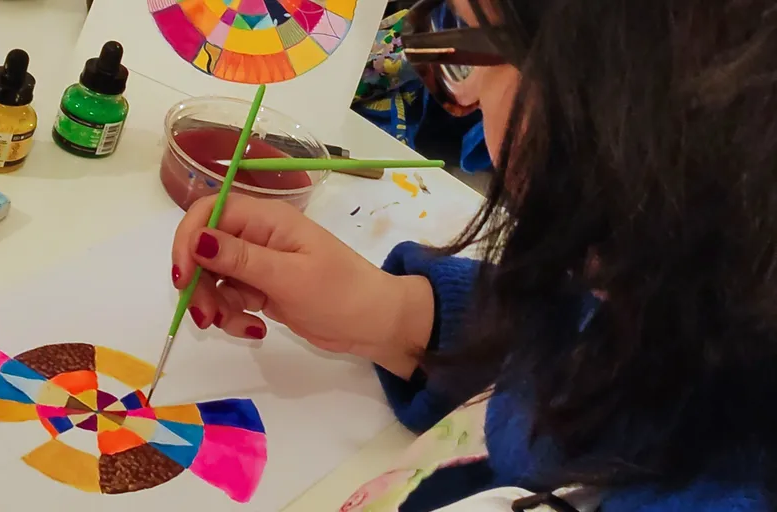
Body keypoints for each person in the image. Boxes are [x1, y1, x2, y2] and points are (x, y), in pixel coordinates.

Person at [171, 0, 777, 510]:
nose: (469, 104)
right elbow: (596, 337)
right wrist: (401, 315)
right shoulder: (694, 311)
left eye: (467, 46)